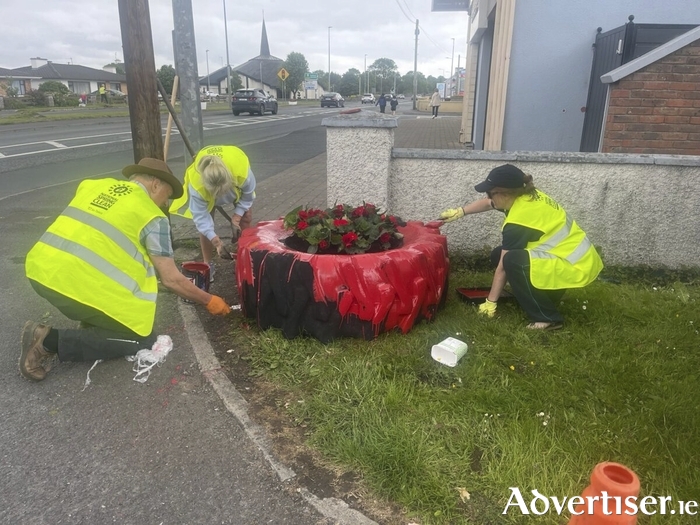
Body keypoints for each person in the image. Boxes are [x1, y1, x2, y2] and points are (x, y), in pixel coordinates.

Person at [20, 158, 232, 382]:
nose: (164, 205)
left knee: (112, 302)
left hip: (39, 269)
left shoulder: (92, 186)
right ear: (155, 185)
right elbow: (171, 279)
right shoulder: (151, 215)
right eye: (166, 197)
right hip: (70, 284)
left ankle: (95, 320)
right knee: (140, 338)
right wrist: (209, 301)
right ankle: (46, 341)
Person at [439, 164, 603, 330]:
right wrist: (460, 212)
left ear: (503, 193)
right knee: (499, 254)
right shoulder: (525, 195)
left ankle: (547, 318)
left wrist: (491, 302)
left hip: (574, 264)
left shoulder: (518, 221)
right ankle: (542, 297)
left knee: (511, 260)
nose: (489, 197)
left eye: (490, 192)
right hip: (569, 257)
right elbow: (489, 204)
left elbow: (503, 267)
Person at [170, 145, 255, 275]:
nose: (219, 196)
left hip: (233, 175)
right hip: (206, 190)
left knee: (246, 217)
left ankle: (245, 258)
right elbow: (201, 219)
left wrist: (236, 218)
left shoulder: (241, 171)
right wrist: (217, 242)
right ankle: (208, 264)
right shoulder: (197, 185)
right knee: (205, 229)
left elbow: (248, 196)